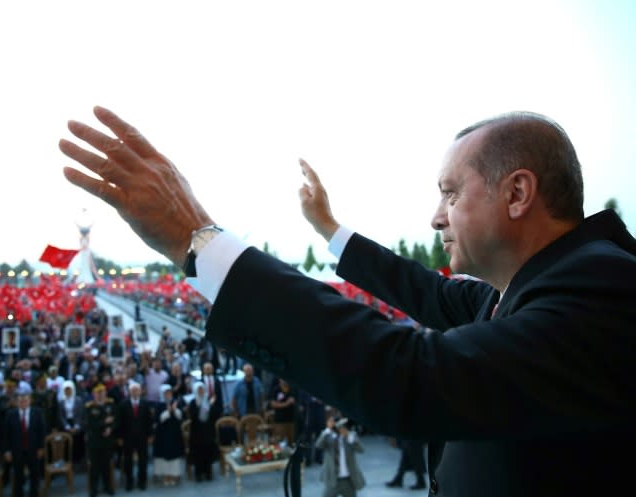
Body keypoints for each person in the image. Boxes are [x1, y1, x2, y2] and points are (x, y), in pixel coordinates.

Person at [60, 108, 636, 496]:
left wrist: (197, 237)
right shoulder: (526, 288)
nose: (436, 217)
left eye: (450, 193)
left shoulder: (602, 292)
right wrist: (331, 230)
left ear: (517, 193)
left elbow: (414, 374)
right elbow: (428, 293)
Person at [2, 392, 46, 497]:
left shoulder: (37, 412)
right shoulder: (10, 414)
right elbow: (6, 434)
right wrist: (7, 451)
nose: (23, 403)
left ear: (30, 401)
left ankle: (34, 494)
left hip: (33, 449)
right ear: (17, 402)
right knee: (18, 476)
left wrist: (41, 448)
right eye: (21, 401)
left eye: (25, 400)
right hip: (17, 450)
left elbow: (42, 431)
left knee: (34, 475)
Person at [315, 417, 365, 497]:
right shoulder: (328, 436)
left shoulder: (350, 437)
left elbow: (361, 450)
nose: (340, 429)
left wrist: (348, 435)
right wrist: (328, 429)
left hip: (347, 480)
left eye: (342, 426)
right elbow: (318, 445)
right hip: (332, 479)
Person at [117, 382, 152, 491]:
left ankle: (142, 481)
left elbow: (149, 421)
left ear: (140, 391)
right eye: (133, 390)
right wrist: (120, 437)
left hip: (142, 437)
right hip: (128, 438)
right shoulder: (123, 404)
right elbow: (120, 422)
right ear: (129, 392)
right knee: (128, 460)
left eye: (137, 390)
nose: (135, 392)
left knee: (143, 460)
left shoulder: (145, 404)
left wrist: (150, 435)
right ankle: (129, 481)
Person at [84, 384, 116, 497]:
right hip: (94, 441)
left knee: (106, 465)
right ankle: (94, 489)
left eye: (102, 392)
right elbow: (88, 424)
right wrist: (104, 423)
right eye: (98, 392)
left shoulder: (110, 404)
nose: (100, 394)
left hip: (107, 441)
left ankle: (108, 487)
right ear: (93, 394)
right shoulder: (89, 407)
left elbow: (115, 420)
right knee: (94, 466)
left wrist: (110, 429)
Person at [187, 381, 221, 482]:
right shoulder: (193, 402)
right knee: (198, 454)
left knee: (208, 452)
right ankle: (198, 474)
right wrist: (204, 407)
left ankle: (208, 473)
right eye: (199, 389)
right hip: (197, 433)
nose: (201, 391)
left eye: (202, 389)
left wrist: (210, 405)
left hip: (208, 432)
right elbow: (194, 416)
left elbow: (215, 414)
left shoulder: (208, 400)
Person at [57, 380, 85, 464]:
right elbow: (61, 416)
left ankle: (78, 462)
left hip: (76, 423)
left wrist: (76, 426)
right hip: (66, 424)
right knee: (67, 443)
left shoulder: (78, 400)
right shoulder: (61, 402)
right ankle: (68, 461)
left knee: (78, 442)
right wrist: (67, 426)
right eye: (66, 390)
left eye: (69, 389)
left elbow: (81, 414)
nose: (68, 391)